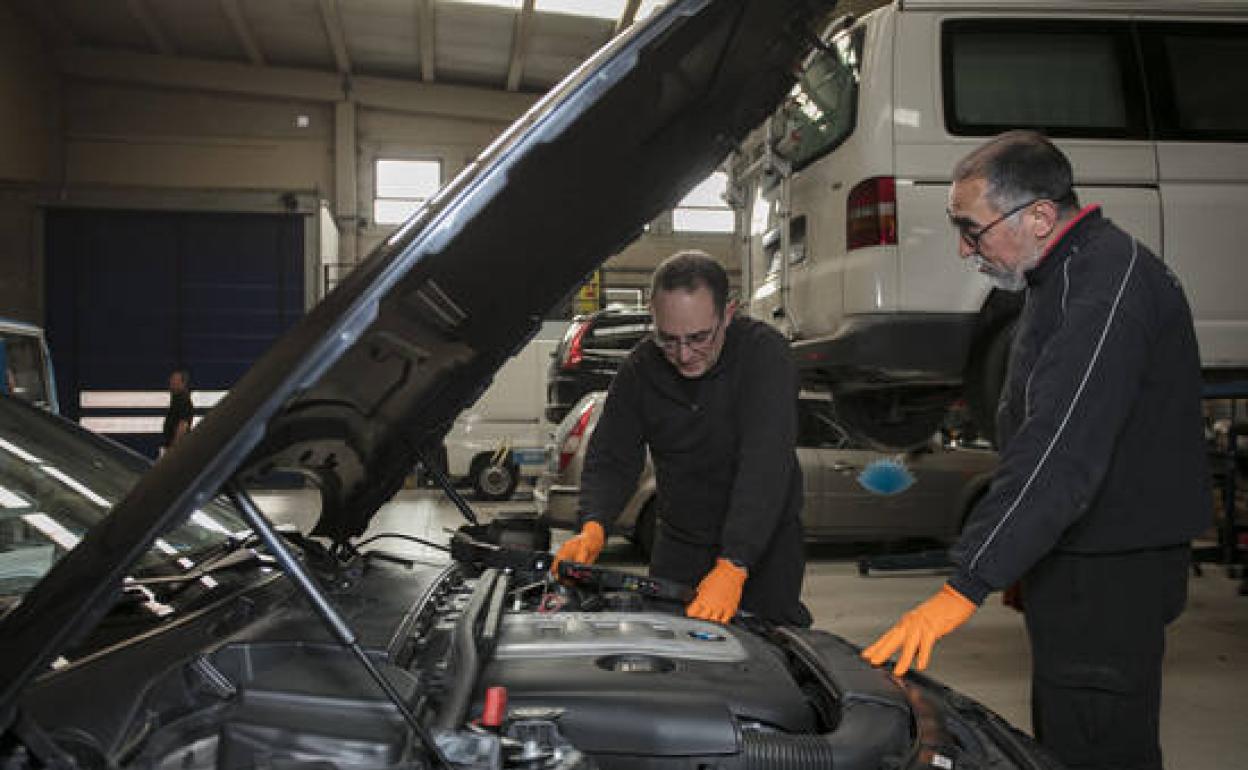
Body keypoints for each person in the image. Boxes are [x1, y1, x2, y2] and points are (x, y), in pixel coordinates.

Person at [862, 130, 1211, 770]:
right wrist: (1028, 554)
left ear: (1041, 216)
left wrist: (968, 582)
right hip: (1084, 556)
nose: (967, 248)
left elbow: (1061, 449)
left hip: (1108, 570)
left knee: (1097, 746)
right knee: (1069, 734)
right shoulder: (1065, 275)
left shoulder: (1102, 286)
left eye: (973, 229)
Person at [552, 250, 810, 626]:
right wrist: (594, 524)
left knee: (763, 651)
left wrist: (735, 564)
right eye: (668, 339)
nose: (684, 355)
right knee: (673, 650)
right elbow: (613, 454)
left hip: (763, 546)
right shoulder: (642, 368)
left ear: (727, 314)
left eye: (698, 338)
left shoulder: (764, 357)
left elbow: (766, 464)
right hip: (680, 542)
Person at [162, 368, 194, 453]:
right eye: (171, 379)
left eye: (175, 380)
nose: (171, 382)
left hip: (178, 448)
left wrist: (174, 448)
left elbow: (183, 425)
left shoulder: (183, 401)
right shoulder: (176, 400)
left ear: (183, 383)